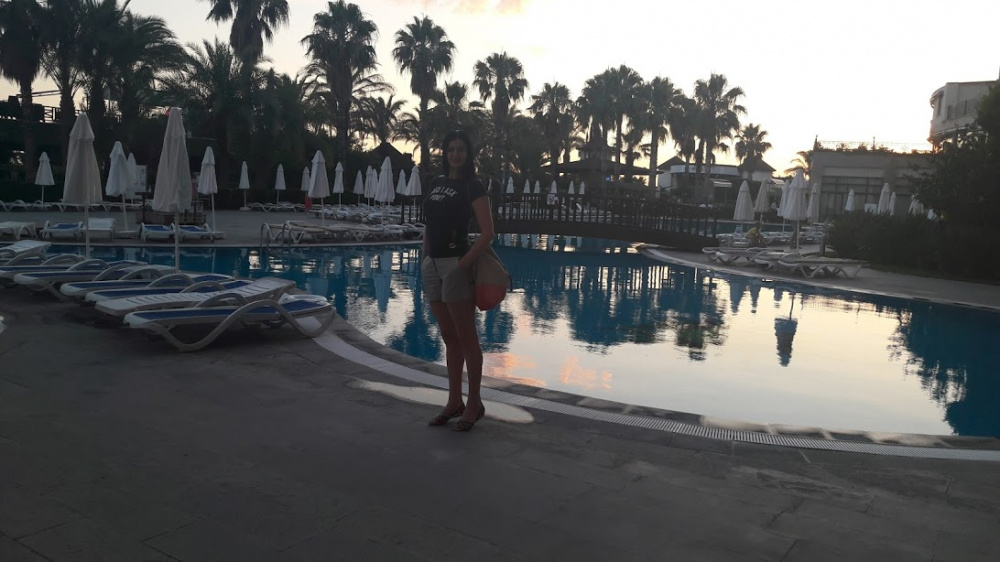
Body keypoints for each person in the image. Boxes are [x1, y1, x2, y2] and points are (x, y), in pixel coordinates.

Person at [422, 130, 495, 432]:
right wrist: (425, 257)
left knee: (466, 338)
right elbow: (430, 224)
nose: (455, 154)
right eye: (450, 149)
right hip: (432, 265)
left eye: (460, 149)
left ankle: (474, 403)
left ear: (468, 154)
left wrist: (461, 265)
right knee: (449, 337)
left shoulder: (472, 185)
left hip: (455, 263)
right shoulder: (436, 183)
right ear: (444, 152)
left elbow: (488, 233)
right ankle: (454, 401)